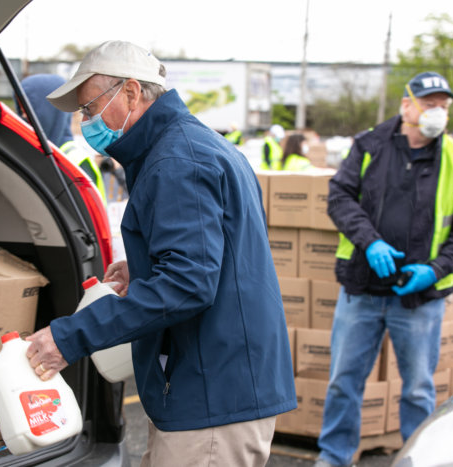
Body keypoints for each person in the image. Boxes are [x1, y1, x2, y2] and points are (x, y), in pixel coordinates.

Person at [24, 40, 296, 466]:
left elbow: (187, 284)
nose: (86, 121)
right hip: (214, 384)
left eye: (91, 107)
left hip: (211, 395)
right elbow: (219, 256)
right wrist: (146, 266)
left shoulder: (177, 161)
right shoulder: (192, 146)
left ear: (131, 93)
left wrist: (71, 336)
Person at [314, 71, 453, 467]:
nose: (437, 113)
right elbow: (339, 197)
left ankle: (421, 458)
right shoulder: (370, 145)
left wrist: (436, 268)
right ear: (406, 105)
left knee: (418, 390)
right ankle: (334, 457)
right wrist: (369, 240)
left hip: (420, 296)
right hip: (362, 288)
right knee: (344, 383)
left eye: (444, 106)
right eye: (430, 104)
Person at [18, 73, 107, 202]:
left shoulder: (76, 162)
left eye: (26, 110)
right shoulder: (35, 155)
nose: (23, 116)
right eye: (20, 110)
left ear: (48, 111)